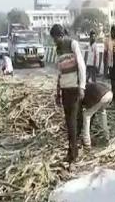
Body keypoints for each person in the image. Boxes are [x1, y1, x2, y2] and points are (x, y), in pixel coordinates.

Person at [50, 24, 86, 163]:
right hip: (65, 89)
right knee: (69, 122)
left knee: (72, 122)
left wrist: (82, 86)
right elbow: (59, 73)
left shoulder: (73, 44)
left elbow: (81, 65)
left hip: (74, 88)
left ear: (60, 35)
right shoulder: (58, 50)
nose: (54, 41)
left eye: (55, 38)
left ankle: (73, 153)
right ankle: (72, 150)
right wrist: (57, 93)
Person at [80, 82, 113, 148]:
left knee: (86, 115)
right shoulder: (87, 86)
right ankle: (107, 136)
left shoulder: (81, 92)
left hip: (101, 95)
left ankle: (87, 142)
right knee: (102, 112)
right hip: (109, 94)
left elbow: (84, 105)